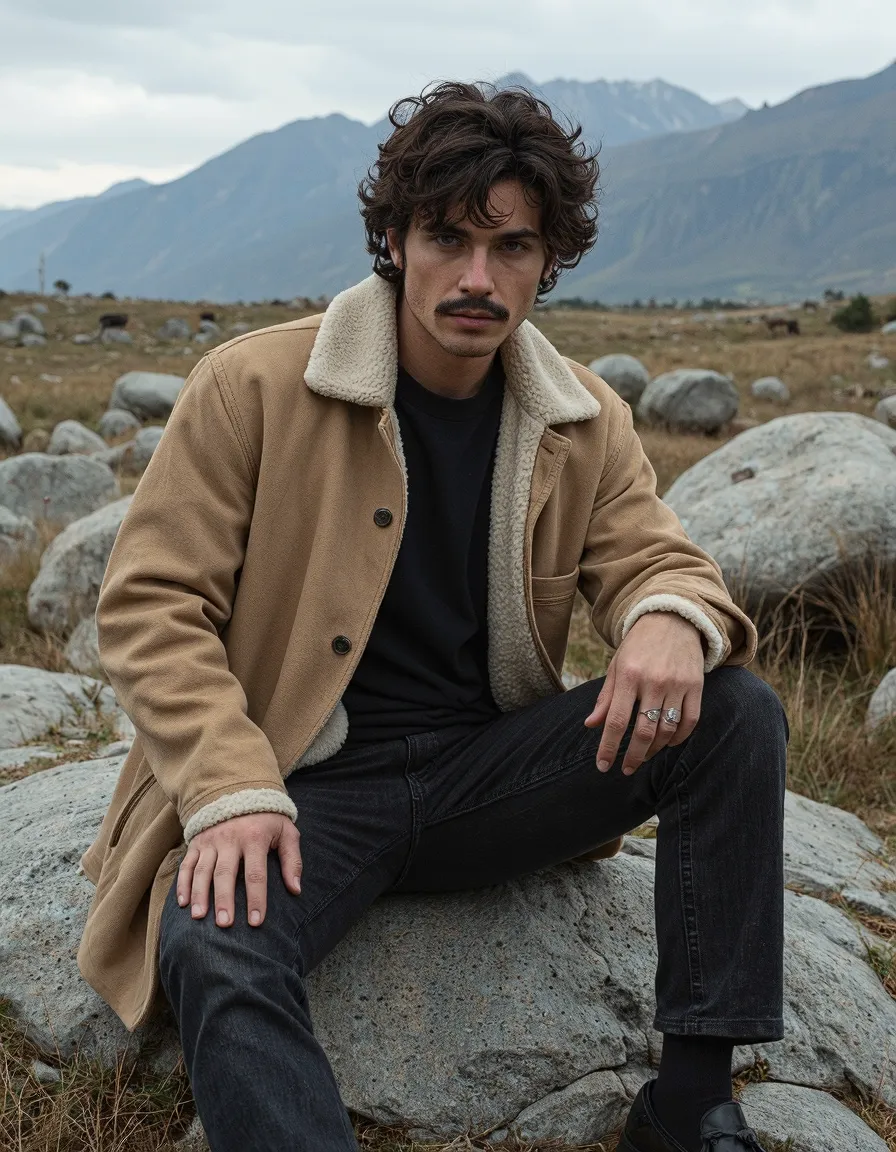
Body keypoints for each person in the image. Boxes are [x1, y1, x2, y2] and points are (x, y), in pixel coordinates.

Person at [76, 81, 788, 1152]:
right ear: (394, 240)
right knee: (211, 938)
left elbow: (655, 555)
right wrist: (227, 788)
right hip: (303, 785)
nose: (474, 278)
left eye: (510, 247)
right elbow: (149, 606)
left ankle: (687, 1100)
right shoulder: (253, 385)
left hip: (485, 781)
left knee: (733, 714)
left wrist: (668, 617)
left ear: (548, 260)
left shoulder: (580, 415)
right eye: (446, 237)